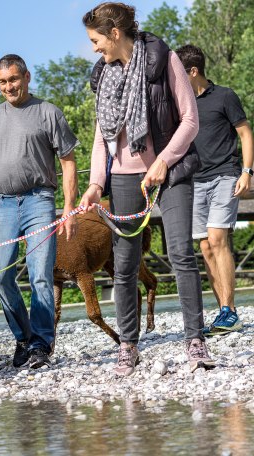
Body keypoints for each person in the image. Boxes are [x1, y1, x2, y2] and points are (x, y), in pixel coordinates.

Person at [80, 2, 215, 376]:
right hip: (123, 178)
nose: (94, 48)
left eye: (96, 40)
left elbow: (190, 120)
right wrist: (95, 184)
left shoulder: (164, 60)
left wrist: (164, 161)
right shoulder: (104, 75)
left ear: (115, 34)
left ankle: (195, 339)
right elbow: (100, 140)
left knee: (180, 254)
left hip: (170, 173)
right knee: (124, 266)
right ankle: (128, 346)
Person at [0, 54, 79, 369]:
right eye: (3, 82)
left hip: (39, 200)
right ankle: (23, 337)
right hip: (1, 204)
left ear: (27, 77)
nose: (9, 87)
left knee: (40, 276)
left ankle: (41, 346)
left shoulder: (48, 113)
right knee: (0, 277)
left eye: (14, 80)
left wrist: (70, 208)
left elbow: (68, 162)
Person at [176, 45, 254, 336]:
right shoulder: (181, 105)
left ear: (193, 71)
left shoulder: (224, 96)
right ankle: (223, 309)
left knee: (217, 238)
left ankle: (230, 311)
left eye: (179, 74)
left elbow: (245, 133)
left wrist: (247, 172)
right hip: (195, 180)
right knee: (205, 246)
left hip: (225, 175)